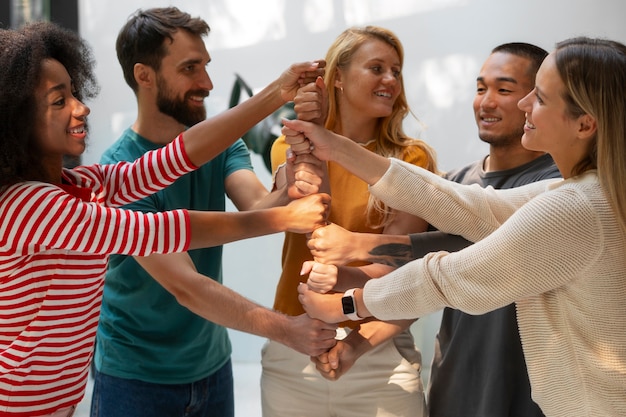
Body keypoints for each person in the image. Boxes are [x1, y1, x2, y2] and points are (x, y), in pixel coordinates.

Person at [0, 19, 329, 417]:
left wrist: (280, 91)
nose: (81, 107)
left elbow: (173, 157)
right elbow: (161, 232)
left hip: (58, 404)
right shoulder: (28, 206)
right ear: (17, 121)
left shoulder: (85, 183)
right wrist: (284, 218)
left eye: (74, 93)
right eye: (59, 101)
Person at [290, 36, 626, 417]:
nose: (522, 104)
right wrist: (335, 146)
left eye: (540, 98)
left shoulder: (576, 207)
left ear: (585, 124)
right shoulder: (587, 192)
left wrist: (346, 305)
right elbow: (477, 207)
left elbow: (450, 277)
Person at [262, 26, 438, 417]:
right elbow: (311, 216)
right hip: (294, 342)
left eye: (397, 71)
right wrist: (314, 136)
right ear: (336, 77)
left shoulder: (411, 160)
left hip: (376, 346)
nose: (390, 80)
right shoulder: (288, 144)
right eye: (376, 68)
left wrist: (349, 329)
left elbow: (397, 262)